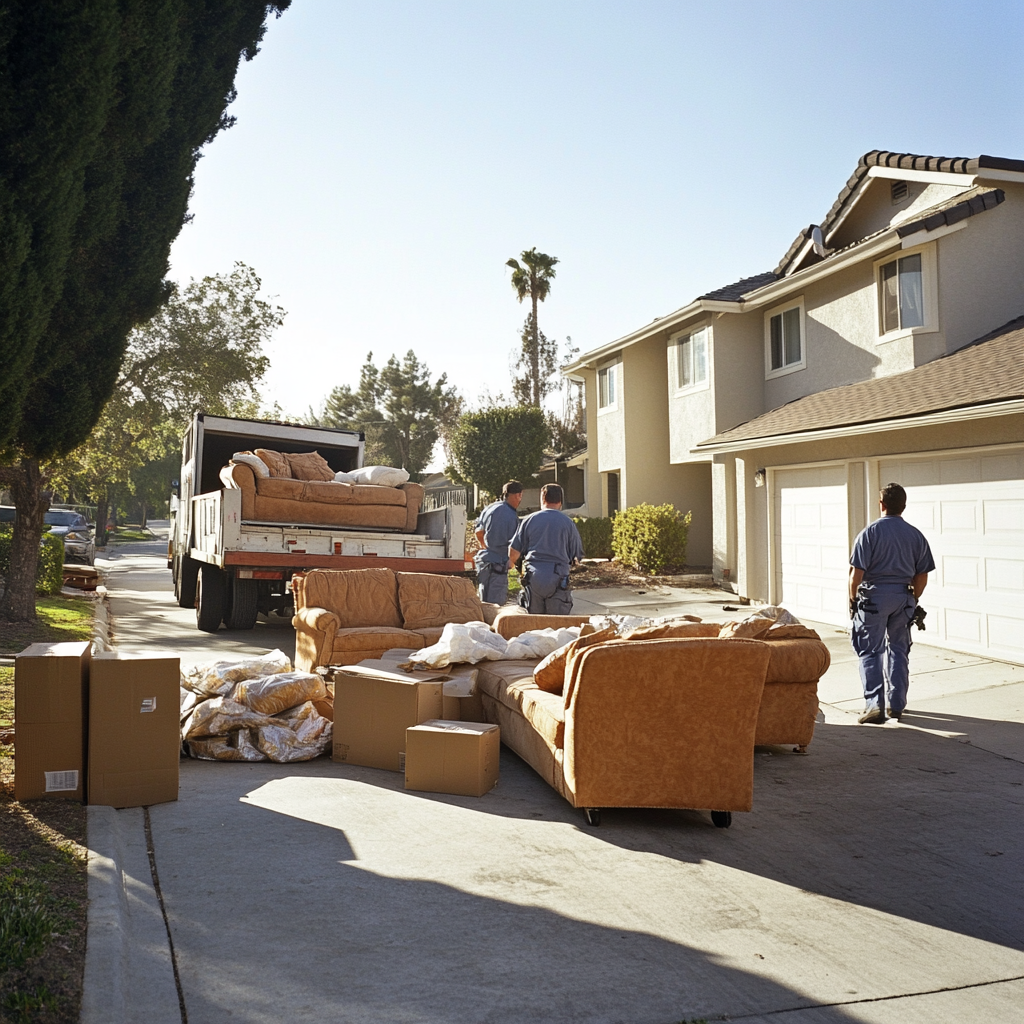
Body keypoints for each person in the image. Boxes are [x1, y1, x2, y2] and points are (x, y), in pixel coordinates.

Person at [849, 482, 935, 725]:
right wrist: (912, 600)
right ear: (903, 506)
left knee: (870, 650)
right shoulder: (916, 535)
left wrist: (853, 601)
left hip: (874, 598)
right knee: (899, 650)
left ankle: (874, 706)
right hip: (903, 598)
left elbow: (855, 576)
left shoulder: (869, 533)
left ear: (881, 504)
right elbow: (922, 577)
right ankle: (896, 705)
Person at [508, 483, 585, 614]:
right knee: (557, 624)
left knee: (534, 624)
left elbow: (513, 553)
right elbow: (577, 557)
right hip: (558, 578)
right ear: (561, 501)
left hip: (534, 577)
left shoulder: (528, 520)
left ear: (543, 498)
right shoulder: (568, 523)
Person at [473, 481, 523, 605]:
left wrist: (485, 547)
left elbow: (479, 532)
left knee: (483, 603)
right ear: (518, 495)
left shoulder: (491, 508)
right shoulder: (509, 515)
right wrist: (511, 562)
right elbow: (515, 545)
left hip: (484, 562)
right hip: (497, 566)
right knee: (495, 607)